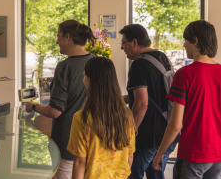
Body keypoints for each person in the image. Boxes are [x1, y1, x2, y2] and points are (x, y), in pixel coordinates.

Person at [26, 19, 96, 179]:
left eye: (58, 36)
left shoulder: (65, 67)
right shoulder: (97, 61)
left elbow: (55, 111)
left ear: (68, 37)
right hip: (92, 140)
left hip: (68, 142)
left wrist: (33, 106)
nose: (57, 41)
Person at [152, 20, 221, 179]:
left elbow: (176, 125)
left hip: (193, 155)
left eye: (185, 40)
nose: (183, 45)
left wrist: (159, 154)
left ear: (195, 40)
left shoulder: (185, 74)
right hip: (218, 155)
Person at [119, 24, 177, 179]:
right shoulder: (162, 57)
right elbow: (155, 93)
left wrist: (129, 133)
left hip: (149, 135)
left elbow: (141, 104)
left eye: (123, 43)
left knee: (132, 174)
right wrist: (121, 99)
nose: (122, 48)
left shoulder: (139, 64)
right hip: (167, 130)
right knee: (156, 174)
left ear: (134, 42)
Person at [67, 57, 136, 179]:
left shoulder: (81, 118)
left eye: (84, 75)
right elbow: (129, 156)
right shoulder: (126, 115)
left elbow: (79, 162)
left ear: (89, 80)